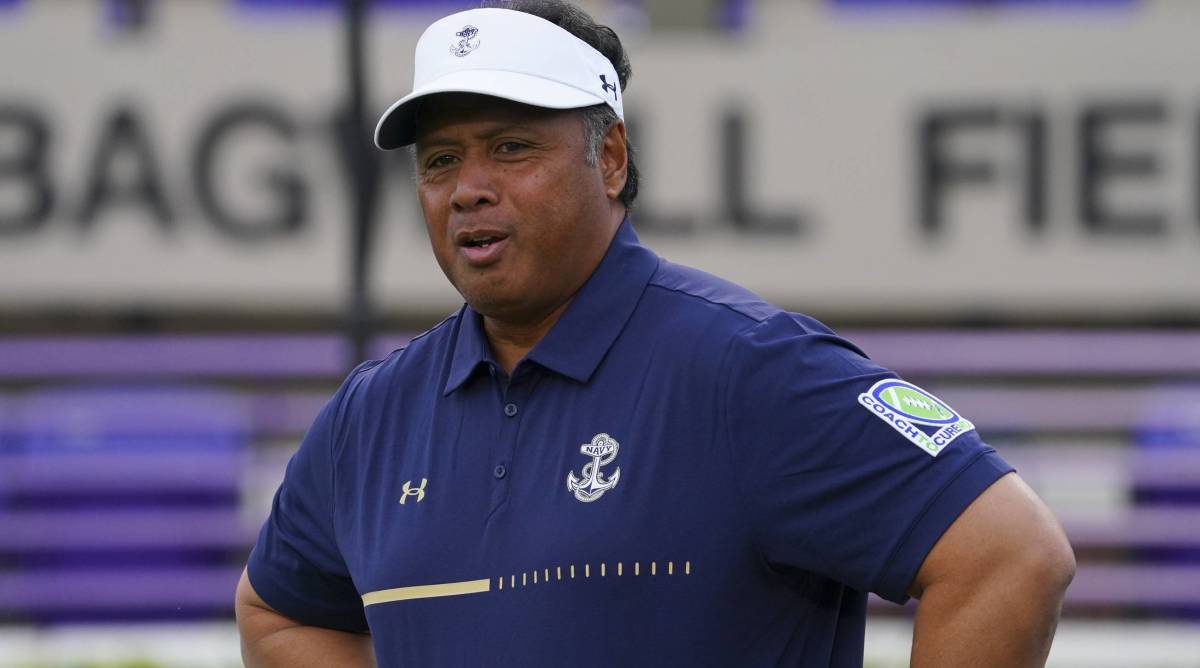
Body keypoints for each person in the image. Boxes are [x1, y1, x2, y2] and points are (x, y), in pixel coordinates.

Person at [234, 1, 1075, 666]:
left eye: (512, 146)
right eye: (441, 160)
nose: (469, 189)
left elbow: (1011, 555)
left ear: (609, 160)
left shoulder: (747, 368)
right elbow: (276, 610)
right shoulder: (370, 416)